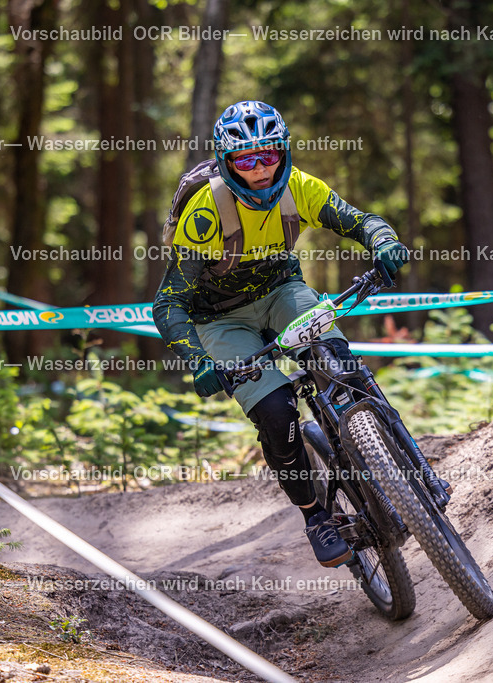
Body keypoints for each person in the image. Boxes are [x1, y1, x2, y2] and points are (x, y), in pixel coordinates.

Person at [153, 100, 410, 567]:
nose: (259, 171)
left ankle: (395, 446)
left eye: (268, 155)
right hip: (221, 319)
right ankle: (316, 516)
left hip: (281, 293)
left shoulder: (299, 187)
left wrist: (384, 241)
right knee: (275, 413)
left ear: (284, 153)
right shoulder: (205, 211)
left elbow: (361, 221)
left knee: (334, 356)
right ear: (227, 162)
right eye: (246, 160)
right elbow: (169, 301)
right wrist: (199, 361)